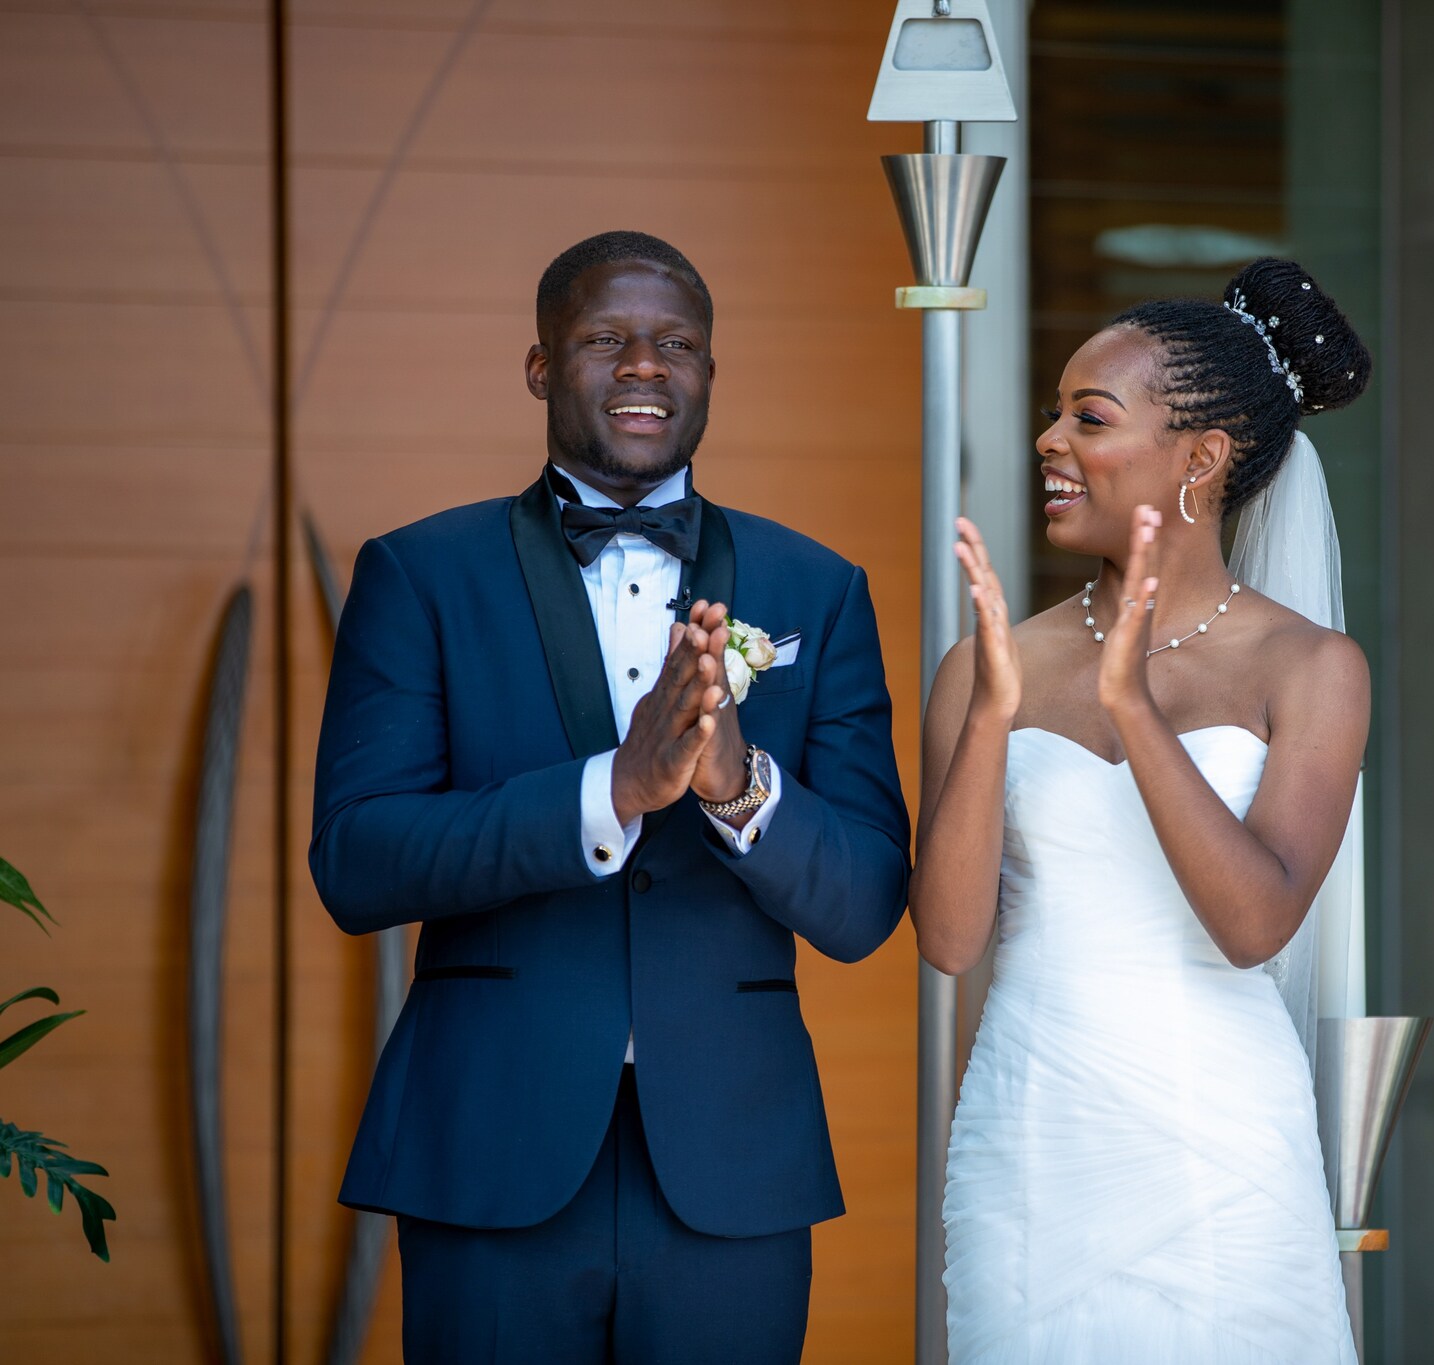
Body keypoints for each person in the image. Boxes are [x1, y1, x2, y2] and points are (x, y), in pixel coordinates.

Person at [308, 230, 910, 1363]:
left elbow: (868, 899)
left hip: (735, 1160)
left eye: (675, 343)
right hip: (490, 1145)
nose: (644, 364)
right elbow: (357, 860)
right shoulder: (419, 574)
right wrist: (609, 792)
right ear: (540, 366)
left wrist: (741, 789)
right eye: (604, 339)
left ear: (710, 374)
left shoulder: (815, 591)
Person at [912, 258, 1373, 1362]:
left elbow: (1255, 924)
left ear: (1201, 460)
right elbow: (947, 938)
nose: (1048, 442)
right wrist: (989, 715)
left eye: (1089, 417)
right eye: (1051, 414)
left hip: (1221, 1148)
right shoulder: (987, 662)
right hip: (1027, 1144)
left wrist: (1130, 704)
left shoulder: (1309, 666)